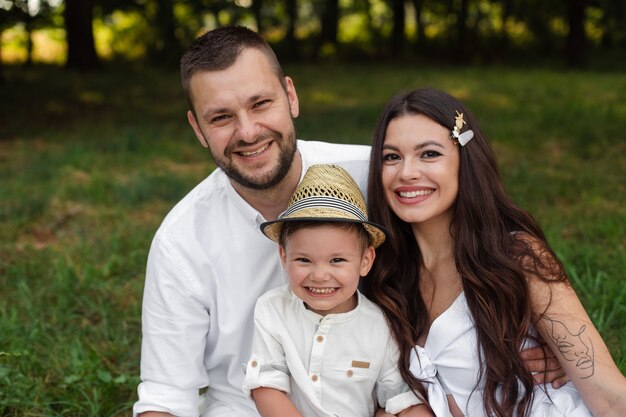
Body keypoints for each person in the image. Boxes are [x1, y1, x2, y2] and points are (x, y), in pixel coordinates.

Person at [133, 26, 567, 417]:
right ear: (197, 127)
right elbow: (166, 395)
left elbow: (481, 237)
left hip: (378, 397)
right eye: (221, 117)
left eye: (260, 104)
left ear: (291, 96)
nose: (247, 132)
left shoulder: (377, 178)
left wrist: (524, 336)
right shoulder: (181, 242)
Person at [363, 87, 626, 417]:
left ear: (465, 160)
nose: (407, 172)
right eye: (392, 157)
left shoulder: (514, 255)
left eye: (429, 154)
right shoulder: (383, 276)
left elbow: (609, 393)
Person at [242, 164, 433, 417]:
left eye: (337, 261)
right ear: (283, 256)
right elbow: (266, 386)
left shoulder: (380, 325)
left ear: (365, 261)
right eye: (304, 260)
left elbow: (397, 397)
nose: (320, 276)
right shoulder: (273, 309)